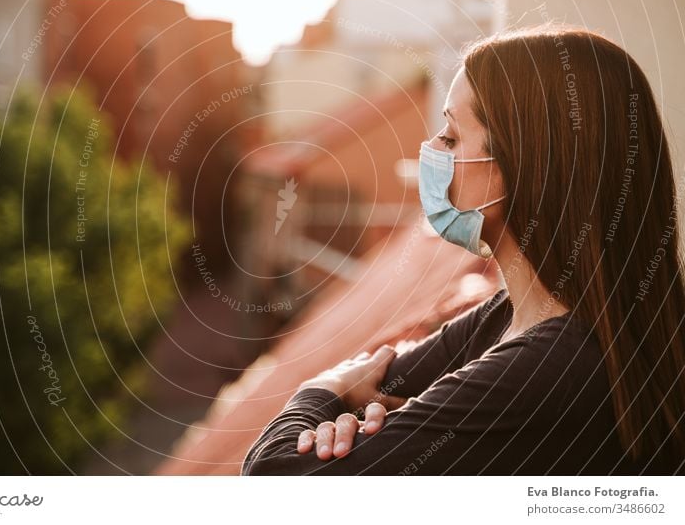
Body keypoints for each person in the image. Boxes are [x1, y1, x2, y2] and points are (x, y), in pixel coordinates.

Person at [241, 24, 685, 475]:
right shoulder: (506, 315)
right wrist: (355, 417)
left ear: (521, 167)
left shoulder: (547, 366)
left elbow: (273, 478)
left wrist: (318, 391)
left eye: (451, 137)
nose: (432, 149)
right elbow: (377, 382)